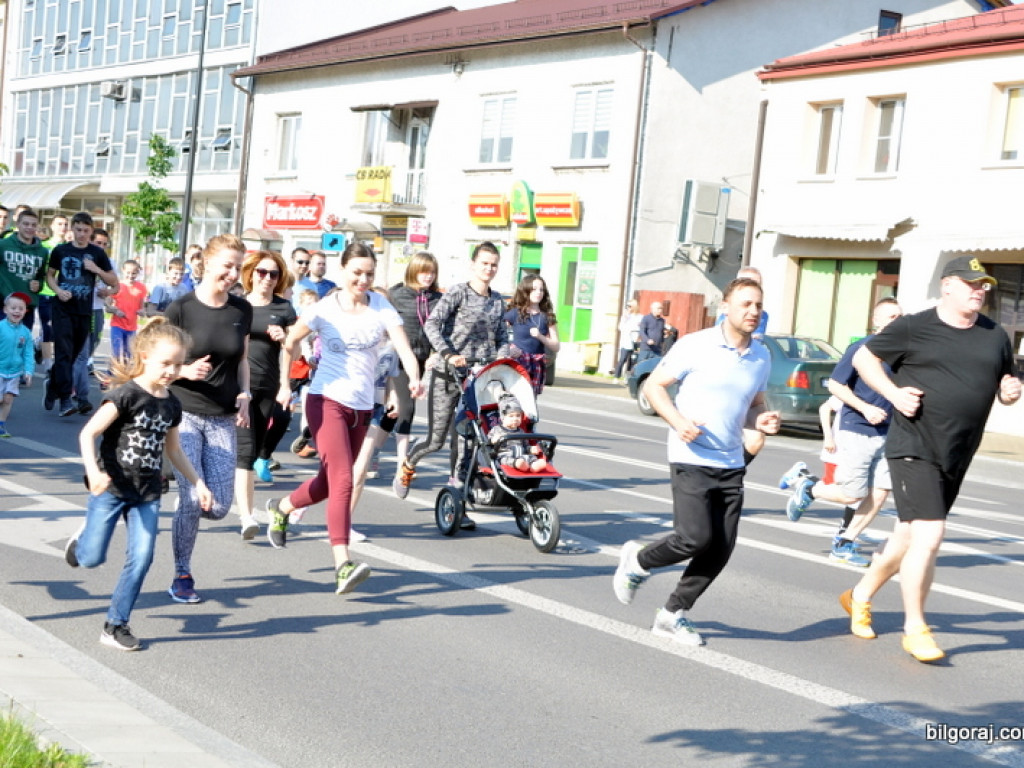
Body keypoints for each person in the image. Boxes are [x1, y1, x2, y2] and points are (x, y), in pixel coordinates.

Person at [839, 256, 1020, 663]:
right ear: (948, 286)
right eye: (972, 283)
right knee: (930, 535)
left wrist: (1010, 392)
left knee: (908, 536)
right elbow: (864, 358)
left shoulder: (994, 335)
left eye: (984, 284)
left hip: (956, 453)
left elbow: (1004, 385)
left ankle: (860, 595)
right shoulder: (914, 326)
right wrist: (892, 393)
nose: (980, 290)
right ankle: (916, 627)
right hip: (912, 446)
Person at [612, 277, 780, 645]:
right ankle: (638, 562)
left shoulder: (760, 355)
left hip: (730, 460)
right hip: (690, 455)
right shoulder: (696, 345)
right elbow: (654, 386)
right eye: (745, 304)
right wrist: (679, 422)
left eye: (758, 306)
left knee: (720, 547)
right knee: (693, 538)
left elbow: (753, 406)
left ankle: (672, 614)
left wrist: (762, 420)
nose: (753, 312)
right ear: (726, 307)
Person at [264, 242, 421, 595]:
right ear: (343, 270)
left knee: (326, 483)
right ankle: (342, 564)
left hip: (362, 407)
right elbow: (290, 341)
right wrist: (285, 385)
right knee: (345, 478)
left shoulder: (381, 307)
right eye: (357, 273)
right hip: (325, 401)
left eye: (369, 274)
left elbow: (404, 348)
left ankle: (283, 507)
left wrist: (414, 378)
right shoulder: (323, 309)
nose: (363, 280)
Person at [63, 319, 212, 651]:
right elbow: (88, 434)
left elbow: (173, 449)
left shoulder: (172, 403)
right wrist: (94, 472)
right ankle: (82, 542)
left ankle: (115, 624)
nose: (172, 370)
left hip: (147, 492)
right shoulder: (125, 395)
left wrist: (198, 482)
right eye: (166, 363)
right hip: (111, 487)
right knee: (91, 559)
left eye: (178, 364)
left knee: (142, 557)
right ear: (145, 356)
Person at [393, 242, 511, 529]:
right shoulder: (458, 292)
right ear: (473, 264)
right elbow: (432, 325)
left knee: (467, 441)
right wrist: (448, 354)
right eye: (484, 263)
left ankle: (458, 500)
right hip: (449, 374)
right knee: (437, 440)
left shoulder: (497, 301)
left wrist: (504, 354)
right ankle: (407, 465)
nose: (489, 269)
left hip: (478, 378)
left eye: (494, 264)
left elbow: (501, 337)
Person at [779, 298, 904, 567]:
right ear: (877, 321)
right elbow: (836, 385)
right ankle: (809, 487)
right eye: (891, 316)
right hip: (857, 427)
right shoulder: (861, 349)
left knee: (880, 493)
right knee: (852, 494)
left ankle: (845, 542)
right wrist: (865, 408)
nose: (897, 321)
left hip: (888, 432)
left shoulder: (903, 353)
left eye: (900, 316)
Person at [164, 234, 252, 604]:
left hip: (221, 417)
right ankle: (182, 573)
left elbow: (242, 359)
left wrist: (245, 394)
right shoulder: (180, 309)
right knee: (190, 501)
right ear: (207, 262)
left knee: (216, 506)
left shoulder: (241, 310)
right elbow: (152, 363)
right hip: (183, 414)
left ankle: (184, 497)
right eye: (227, 265)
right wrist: (183, 371)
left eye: (237, 267)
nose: (232, 274)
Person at [233, 250, 296, 540]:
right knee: (244, 454)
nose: (267, 279)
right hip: (238, 388)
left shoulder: (284, 309)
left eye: (273, 274)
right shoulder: (238, 305)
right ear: (251, 273)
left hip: (269, 386)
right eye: (261, 272)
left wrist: (286, 384)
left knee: (254, 448)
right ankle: (247, 517)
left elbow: (293, 350)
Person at [44, 212, 118, 418]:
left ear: (91, 231)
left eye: (86, 231)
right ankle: (66, 401)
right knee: (64, 353)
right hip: (62, 308)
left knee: (74, 355)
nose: (82, 234)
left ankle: (52, 387)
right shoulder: (60, 250)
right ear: (72, 230)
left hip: (84, 311)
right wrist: (58, 291)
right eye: (78, 230)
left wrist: (96, 269)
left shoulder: (97, 253)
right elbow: (50, 276)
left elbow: (113, 281)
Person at [388, 251, 442, 475]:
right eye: (423, 271)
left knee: (394, 412)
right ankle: (403, 461)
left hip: (423, 359)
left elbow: (443, 329)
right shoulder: (397, 294)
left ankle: (372, 450)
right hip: (398, 357)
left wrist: (436, 352)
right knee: (405, 408)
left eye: (431, 272)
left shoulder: (438, 299)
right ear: (413, 271)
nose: (427, 277)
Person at [71, 228, 116, 415]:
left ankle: (59, 380)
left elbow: (116, 286)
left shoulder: (107, 262)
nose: (102, 247)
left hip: (97, 310)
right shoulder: (80, 258)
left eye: (105, 244)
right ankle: (81, 396)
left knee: (89, 351)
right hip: (79, 310)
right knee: (81, 356)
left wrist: (107, 292)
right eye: (98, 243)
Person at [505, 274, 559, 395]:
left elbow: (556, 346)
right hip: (518, 361)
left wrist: (540, 336)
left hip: (536, 363)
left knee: (530, 400)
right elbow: (498, 334)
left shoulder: (548, 316)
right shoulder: (515, 313)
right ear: (525, 291)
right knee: (514, 398)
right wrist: (509, 348)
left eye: (541, 289)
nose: (538, 293)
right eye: (534, 289)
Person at [0, 208, 49, 333]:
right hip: (4, 306)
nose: (30, 228)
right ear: (18, 225)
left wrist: (38, 285)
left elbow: (40, 276)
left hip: (27, 308)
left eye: (33, 225)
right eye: (26, 224)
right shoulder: (3, 245)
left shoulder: (42, 252)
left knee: (22, 346)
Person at [37, 214, 70, 374]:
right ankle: (48, 363)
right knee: (48, 328)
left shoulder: (69, 247)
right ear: (52, 226)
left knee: (61, 330)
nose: (62, 227)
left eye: (65, 224)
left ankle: (41, 346)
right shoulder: (44, 246)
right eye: (59, 224)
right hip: (46, 292)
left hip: (64, 294)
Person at [0, 292, 36, 437]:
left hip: (14, 372)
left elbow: (28, 354)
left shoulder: (25, 332)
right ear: (5, 310)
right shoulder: (1, 327)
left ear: (25, 311)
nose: (17, 311)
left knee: (8, 399)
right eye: (13, 308)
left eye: (21, 308)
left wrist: (28, 371)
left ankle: (1, 424)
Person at [489, 394, 548, 472]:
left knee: (530, 457)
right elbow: (488, 442)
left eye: (518, 416)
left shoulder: (521, 431)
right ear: (503, 418)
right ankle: (519, 464)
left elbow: (525, 446)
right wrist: (493, 440)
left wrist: (531, 449)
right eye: (511, 416)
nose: (515, 419)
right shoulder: (497, 429)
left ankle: (534, 465)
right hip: (505, 455)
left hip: (521, 455)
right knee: (505, 459)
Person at [106, 259, 148, 366]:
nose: (131, 275)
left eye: (134, 273)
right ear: (123, 271)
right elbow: (107, 306)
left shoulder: (141, 288)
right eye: (128, 273)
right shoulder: (117, 286)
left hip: (131, 327)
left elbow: (142, 308)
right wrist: (115, 310)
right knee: (117, 353)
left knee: (128, 355)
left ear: (138, 273)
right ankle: (109, 377)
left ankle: (122, 377)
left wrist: (141, 312)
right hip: (118, 325)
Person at [611, 299, 642, 379]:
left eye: (630, 306)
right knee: (623, 359)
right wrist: (625, 318)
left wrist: (633, 329)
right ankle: (616, 376)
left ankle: (628, 377)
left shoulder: (640, 317)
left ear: (634, 307)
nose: (628, 308)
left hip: (635, 342)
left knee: (633, 360)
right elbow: (620, 328)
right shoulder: (625, 317)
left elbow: (639, 328)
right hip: (626, 341)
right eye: (627, 306)